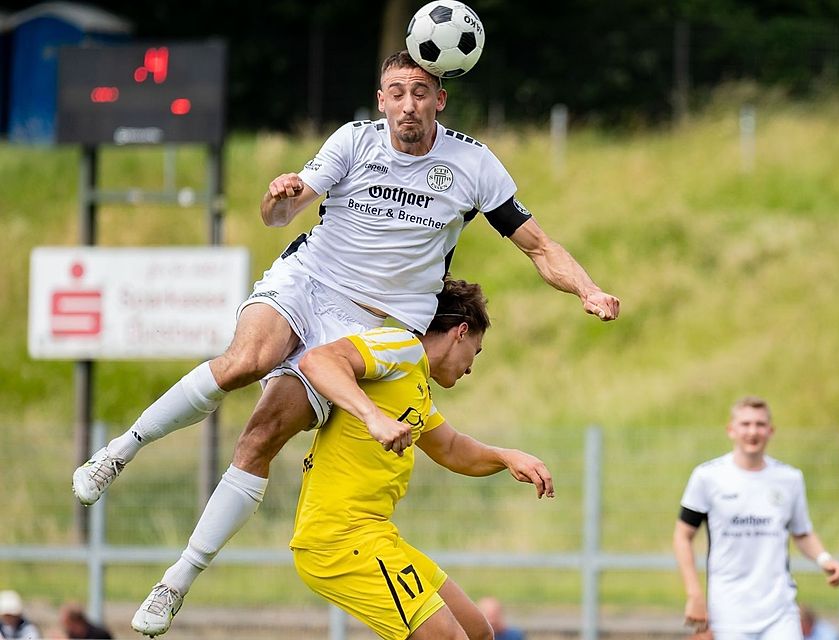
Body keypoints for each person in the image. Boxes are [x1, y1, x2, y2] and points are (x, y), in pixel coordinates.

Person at [69, 50, 618, 636]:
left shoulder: (473, 165)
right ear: (381, 100)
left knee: (261, 434)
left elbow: (539, 246)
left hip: (371, 327)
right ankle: (119, 451)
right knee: (246, 362)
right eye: (396, 92)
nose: (408, 104)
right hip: (310, 282)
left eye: (420, 92)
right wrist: (278, 196)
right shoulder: (354, 142)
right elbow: (279, 215)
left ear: (440, 99)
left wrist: (587, 289)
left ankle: (177, 578)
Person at [291, 278, 554, 639]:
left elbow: (451, 448)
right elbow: (317, 361)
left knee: (477, 631)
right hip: (339, 540)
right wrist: (373, 417)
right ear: (461, 332)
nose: (470, 368)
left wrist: (505, 456)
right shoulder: (400, 347)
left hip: (376, 535)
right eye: (475, 352)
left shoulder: (414, 383)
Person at [672, 396, 839, 640]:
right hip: (728, 611)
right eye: (745, 424)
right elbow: (682, 536)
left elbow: (802, 532)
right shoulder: (707, 477)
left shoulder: (789, 478)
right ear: (731, 430)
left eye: (760, 424)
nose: (753, 431)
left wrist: (824, 559)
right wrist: (694, 595)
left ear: (771, 430)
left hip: (779, 611)